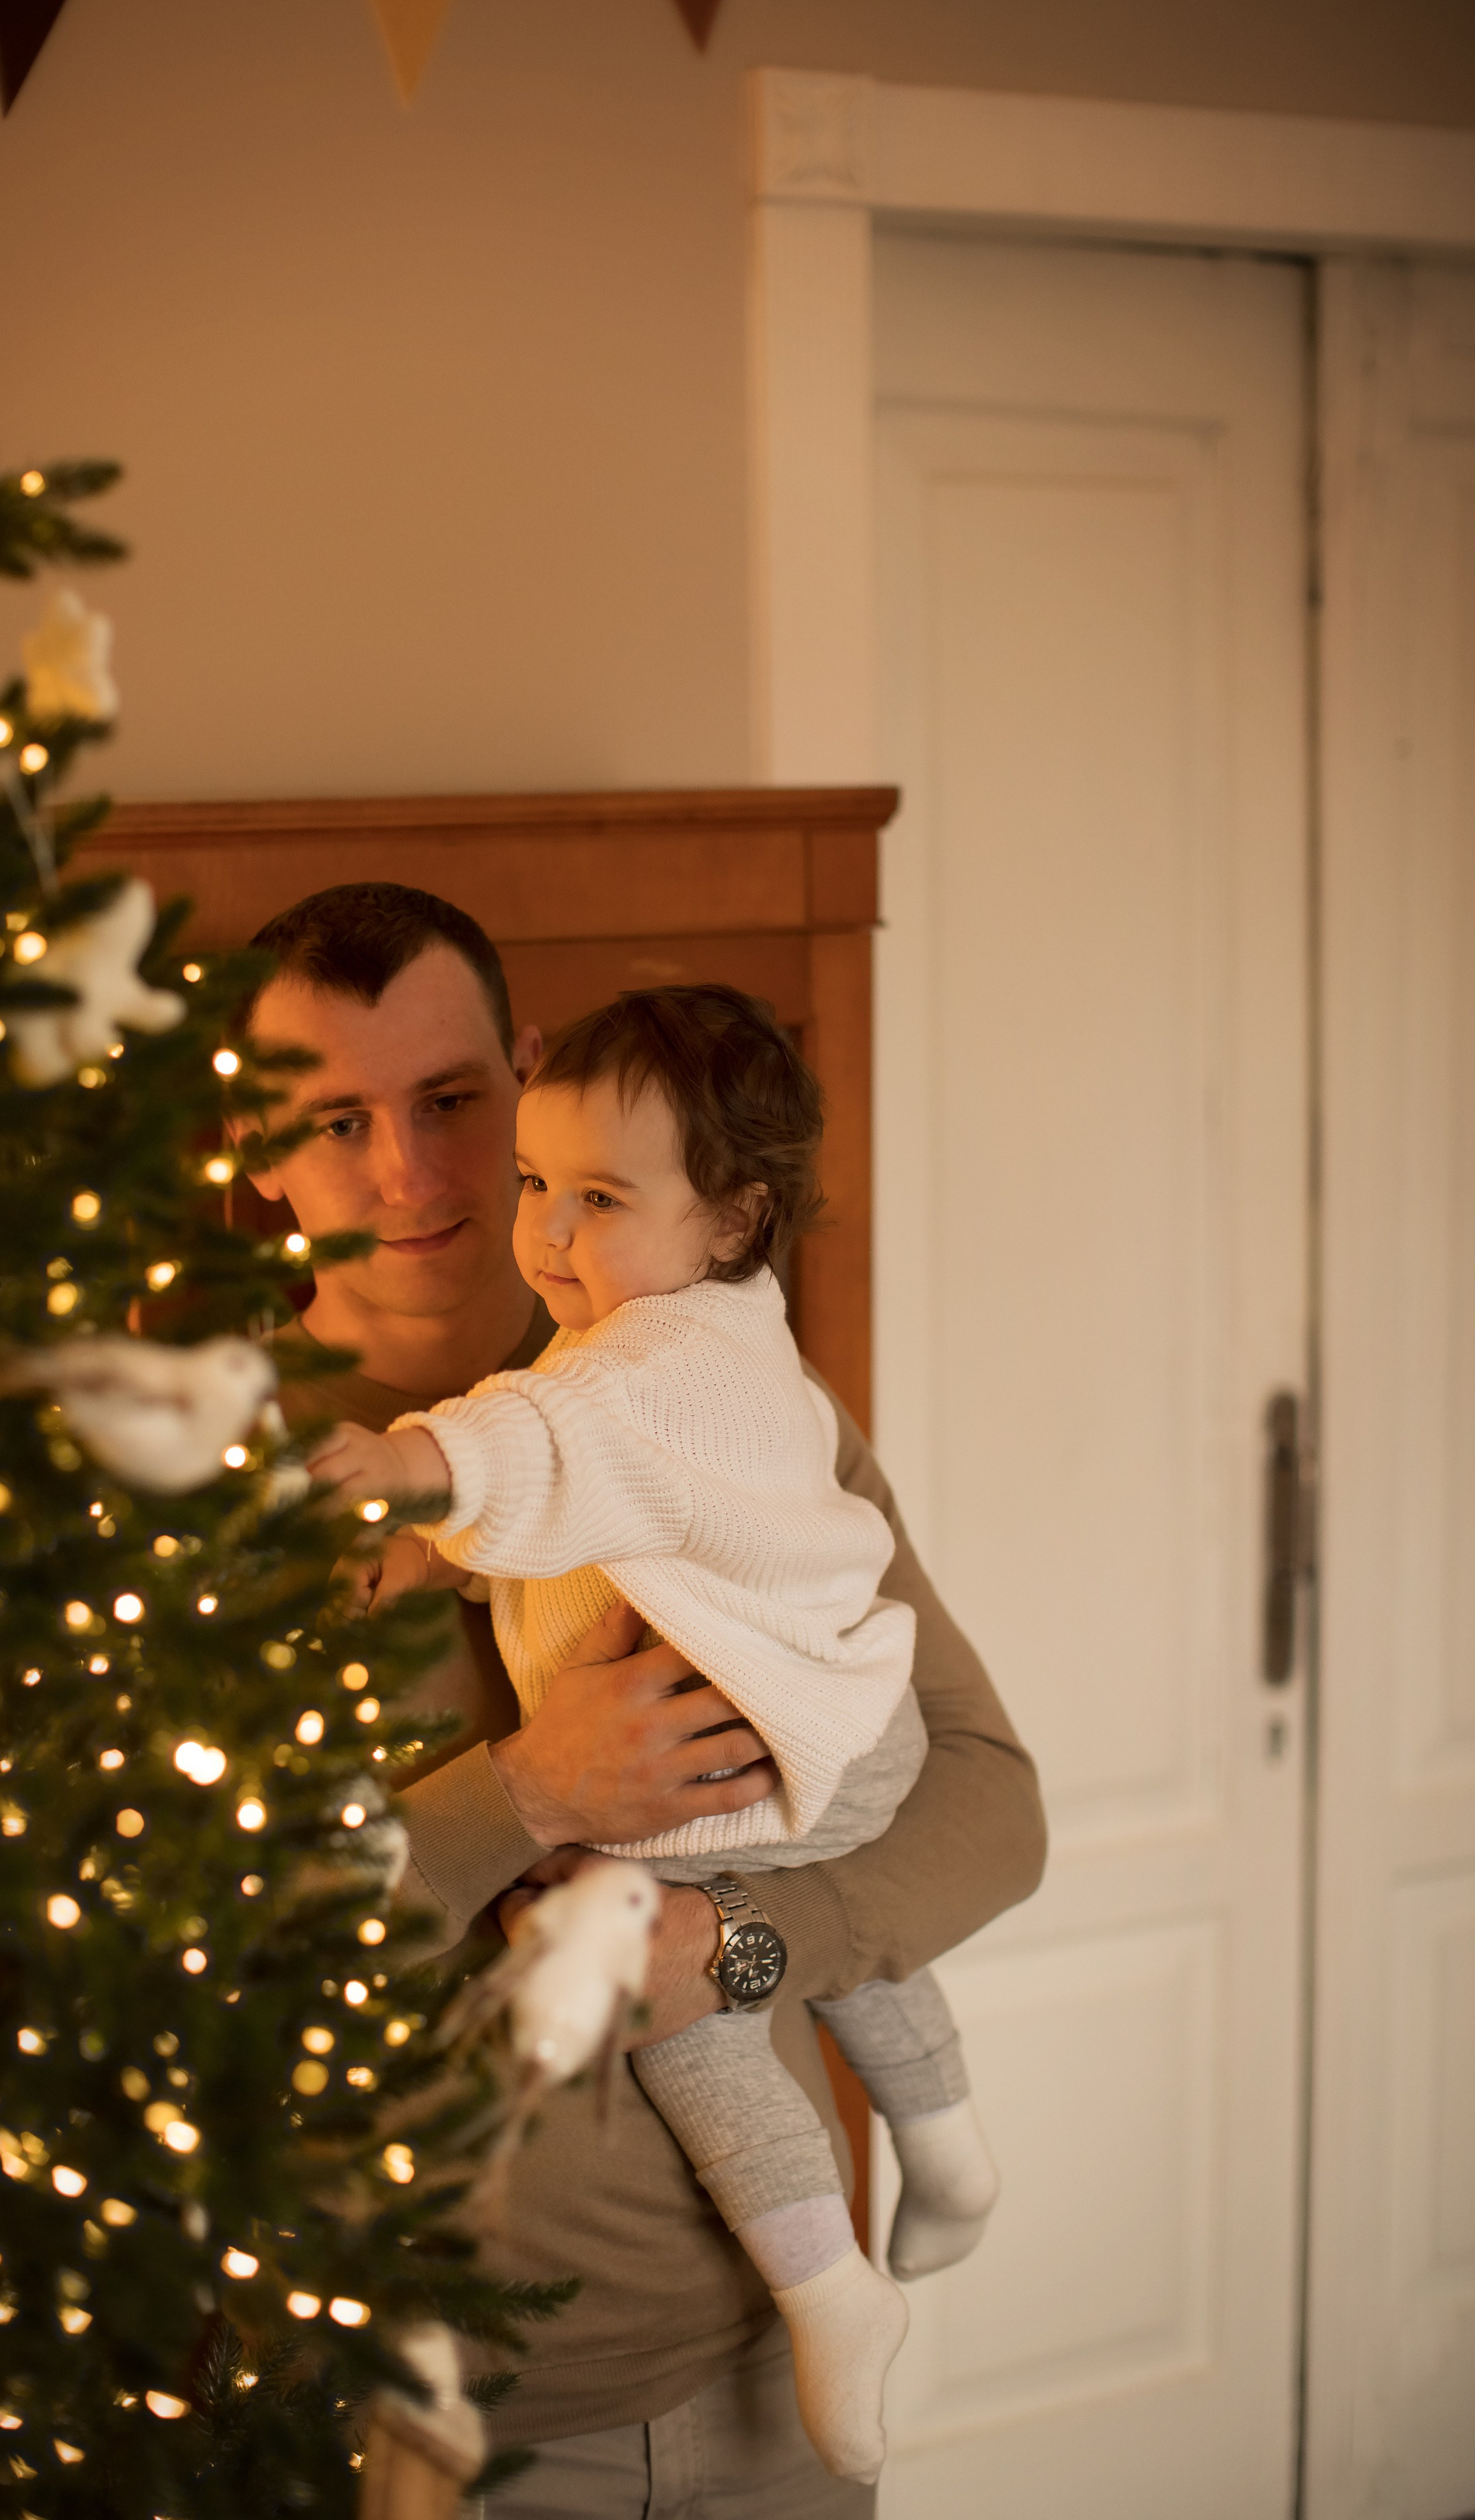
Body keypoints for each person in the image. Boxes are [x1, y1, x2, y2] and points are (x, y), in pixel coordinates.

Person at [241, 882, 1046, 2520]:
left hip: (763, 2390)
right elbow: (196, 1965)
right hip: (423, 2422)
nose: (411, 1175)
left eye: (453, 1102)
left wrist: (732, 1942)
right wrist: (524, 1795)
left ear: (531, 1079)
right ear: (255, 1147)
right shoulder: (208, 1479)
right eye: (335, 1123)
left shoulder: (723, 1393)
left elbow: (984, 1801)